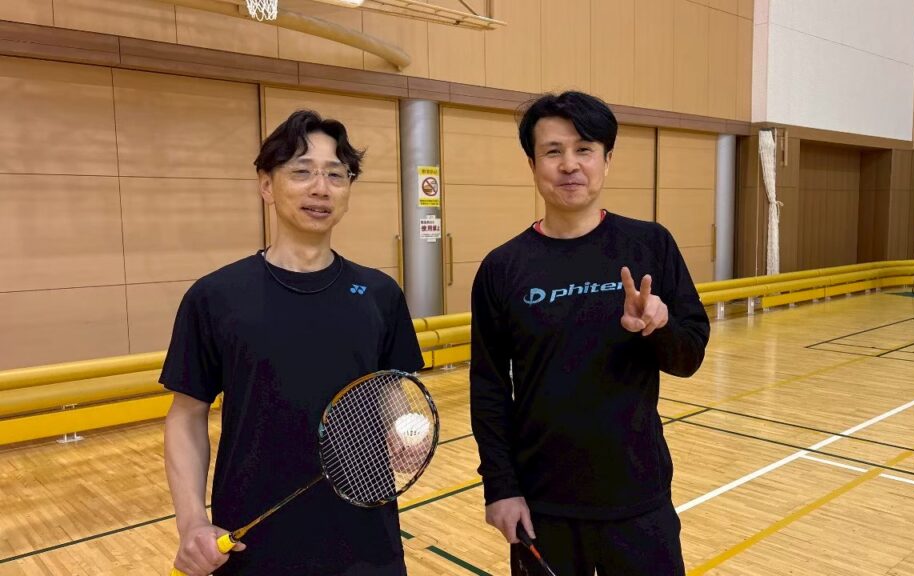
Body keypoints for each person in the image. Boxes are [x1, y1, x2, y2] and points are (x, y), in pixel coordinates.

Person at [163, 110, 423, 575]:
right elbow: (186, 415)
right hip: (252, 541)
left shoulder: (379, 293)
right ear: (266, 185)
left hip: (367, 538)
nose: (320, 188)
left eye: (336, 175)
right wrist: (192, 522)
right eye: (302, 172)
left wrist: (403, 428)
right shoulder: (216, 296)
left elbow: (386, 386)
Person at [469, 91, 711, 576]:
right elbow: (490, 387)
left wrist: (658, 327)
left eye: (584, 149)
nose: (569, 165)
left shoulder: (650, 244)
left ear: (607, 159)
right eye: (552, 151)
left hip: (638, 496)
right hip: (543, 504)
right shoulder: (502, 267)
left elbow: (688, 358)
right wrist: (500, 486)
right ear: (532, 164)